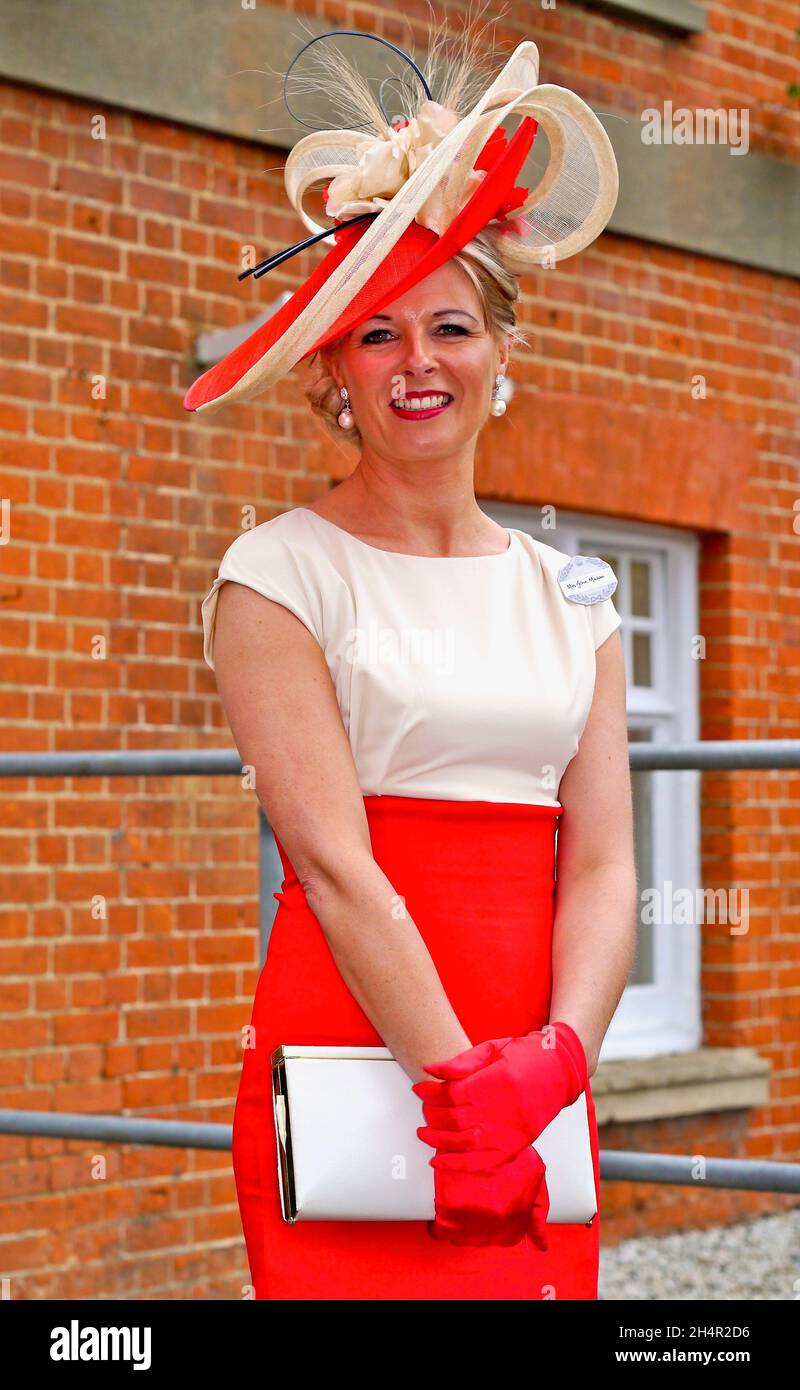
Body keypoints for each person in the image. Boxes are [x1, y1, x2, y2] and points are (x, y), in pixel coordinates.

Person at [187, 21, 636, 1299]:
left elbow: (602, 856)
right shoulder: (277, 572)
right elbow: (332, 866)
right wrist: (465, 1100)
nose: (417, 362)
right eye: (377, 335)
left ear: (499, 356)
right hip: (357, 1046)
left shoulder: (575, 592)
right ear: (332, 369)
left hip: (534, 1060)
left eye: (449, 328)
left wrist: (551, 1066)